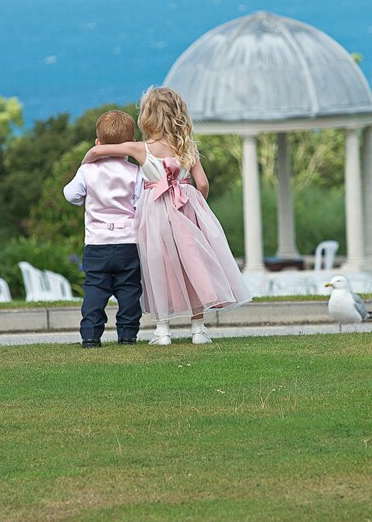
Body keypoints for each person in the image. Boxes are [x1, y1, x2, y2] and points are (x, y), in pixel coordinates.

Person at [82, 87, 252, 346]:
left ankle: (162, 329)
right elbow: (203, 184)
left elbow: (98, 152)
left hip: (155, 213)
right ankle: (198, 328)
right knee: (193, 266)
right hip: (185, 209)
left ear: (147, 117)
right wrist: (194, 202)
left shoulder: (140, 149)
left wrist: (87, 163)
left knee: (157, 266)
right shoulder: (187, 146)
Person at [63, 110, 143, 348]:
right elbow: (140, 205)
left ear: (98, 143)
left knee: (95, 289)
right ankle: (128, 334)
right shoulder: (136, 172)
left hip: (97, 242)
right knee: (129, 288)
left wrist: (84, 167)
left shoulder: (87, 170)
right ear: (131, 144)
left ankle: (90, 334)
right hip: (128, 241)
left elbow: (70, 195)